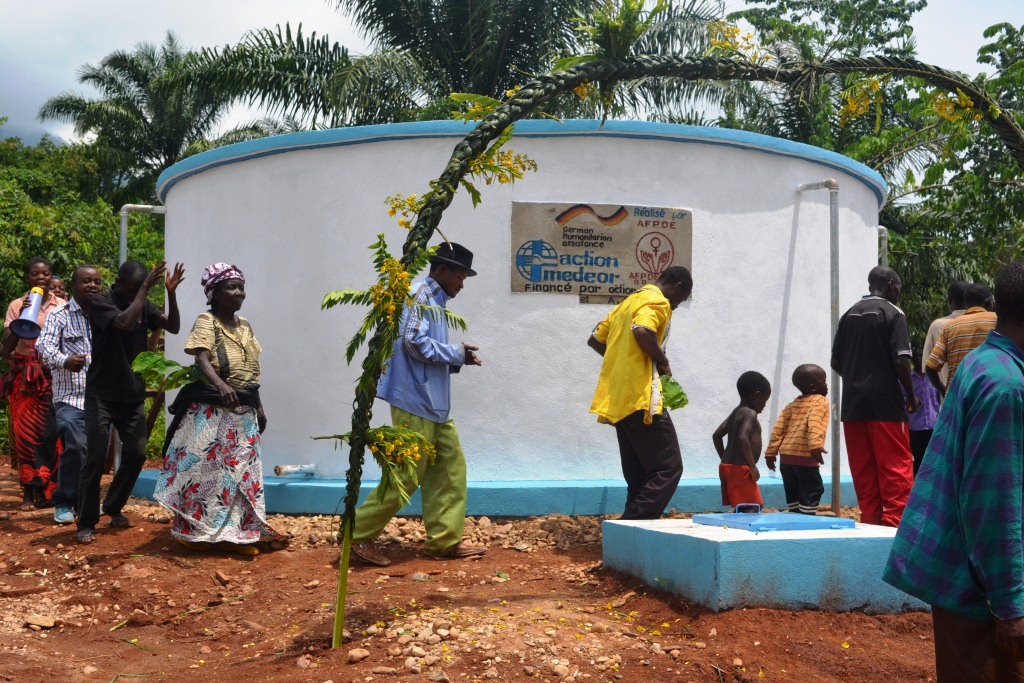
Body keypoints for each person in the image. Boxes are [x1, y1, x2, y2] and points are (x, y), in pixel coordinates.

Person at [883, 260, 1024, 682]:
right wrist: (1012, 606)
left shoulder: (985, 363)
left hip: (968, 579)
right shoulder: (1006, 388)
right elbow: (993, 506)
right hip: (980, 595)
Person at [350, 243, 487, 567]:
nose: (462, 284)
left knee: (449, 470)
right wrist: (456, 354)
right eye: (460, 276)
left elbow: (421, 346)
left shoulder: (433, 301)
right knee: (406, 474)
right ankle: (355, 536)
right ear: (442, 270)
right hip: (416, 402)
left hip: (433, 405)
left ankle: (444, 542)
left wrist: (458, 357)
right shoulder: (421, 296)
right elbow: (412, 342)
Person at [154, 263, 286, 556]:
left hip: (244, 410)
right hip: (214, 410)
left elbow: (251, 374)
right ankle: (193, 532)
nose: (239, 292)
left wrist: (258, 405)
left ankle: (236, 535)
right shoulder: (207, 320)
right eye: (231, 287)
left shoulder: (245, 325)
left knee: (240, 475)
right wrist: (221, 385)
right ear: (213, 293)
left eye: (241, 286)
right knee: (207, 474)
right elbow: (201, 358)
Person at [76, 260, 184, 544]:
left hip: (131, 394)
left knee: (137, 453)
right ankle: (86, 521)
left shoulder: (143, 304)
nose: (138, 293)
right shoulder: (100, 301)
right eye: (134, 288)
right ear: (119, 283)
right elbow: (124, 323)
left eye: (141, 288)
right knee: (96, 458)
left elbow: (172, 326)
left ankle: (112, 506)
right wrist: (145, 288)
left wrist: (170, 293)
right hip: (101, 394)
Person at [588, 266, 693, 521]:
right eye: (681, 299)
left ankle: (631, 539)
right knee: (668, 468)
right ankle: (630, 525)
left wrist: (625, 359)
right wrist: (663, 361)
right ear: (677, 287)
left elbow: (595, 339)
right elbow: (642, 331)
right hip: (641, 397)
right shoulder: (657, 300)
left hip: (618, 397)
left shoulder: (627, 303)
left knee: (641, 474)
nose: (677, 306)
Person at [831, 266, 919, 527]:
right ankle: (894, 529)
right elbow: (901, 360)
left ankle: (869, 524)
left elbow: (836, 361)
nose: (899, 293)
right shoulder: (893, 313)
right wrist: (911, 396)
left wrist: (858, 379)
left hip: (854, 406)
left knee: (864, 471)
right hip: (885, 406)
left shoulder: (849, 314)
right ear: (891, 284)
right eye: (899, 288)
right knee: (895, 470)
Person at [36, 266, 103, 524]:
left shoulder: (104, 313)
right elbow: (44, 346)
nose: (93, 286)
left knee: (94, 451)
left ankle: (86, 503)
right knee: (76, 445)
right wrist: (64, 360)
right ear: (74, 285)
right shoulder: (60, 314)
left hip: (99, 398)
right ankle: (64, 500)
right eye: (86, 281)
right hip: (70, 397)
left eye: (97, 281)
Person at [1, 257, 64, 509]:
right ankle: (28, 490)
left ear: (51, 277)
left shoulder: (62, 305)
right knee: (25, 435)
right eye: (35, 274)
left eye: (46, 274)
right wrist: (24, 316)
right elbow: (6, 348)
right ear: (28, 278)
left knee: (51, 434)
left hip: (52, 376)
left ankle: (48, 491)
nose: (41, 278)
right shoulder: (17, 305)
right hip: (24, 378)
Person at [764, 364, 829, 515]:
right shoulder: (820, 401)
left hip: (786, 460)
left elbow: (778, 430)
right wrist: (815, 446)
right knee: (812, 489)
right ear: (813, 387)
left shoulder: (791, 405)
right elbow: (815, 423)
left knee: (793, 493)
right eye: (824, 381)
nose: (827, 385)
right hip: (805, 458)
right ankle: (807, 519)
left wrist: (770, 453)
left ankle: (794, 516)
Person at [925, 282, 998, 396]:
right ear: (989, 302)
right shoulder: (998, 322)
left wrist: (944, 391)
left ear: (965, 304)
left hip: (959, 399)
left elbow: (930, 368)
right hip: (991, 394)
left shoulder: (950, 327)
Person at [713, 371, 771, 509]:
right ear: (756, 395)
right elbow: (742, 437)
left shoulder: (736, 412)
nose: (764, 405)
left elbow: (716, 435)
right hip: (741, 470)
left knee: (742, 506)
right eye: (765, 400)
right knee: (753, 506)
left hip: (727, 468)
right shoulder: (750, 413)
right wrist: (752, 466)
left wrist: (725, 460)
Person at [922, 280, 968, 388]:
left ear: (950, 300)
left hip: (949, 400)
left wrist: (944, 392)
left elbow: (928, 367)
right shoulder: (983, 323)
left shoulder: (937, 325)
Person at [907, 348, 940, 475]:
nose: (919, 358)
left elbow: (940, 398)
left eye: (922, 355)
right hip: (915, 427)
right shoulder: (908, 379)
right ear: (912, 359)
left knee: (934, 458)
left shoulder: (933, 377)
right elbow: (904, 398)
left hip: (933, 425)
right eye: (916, 356)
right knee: (918, 458)